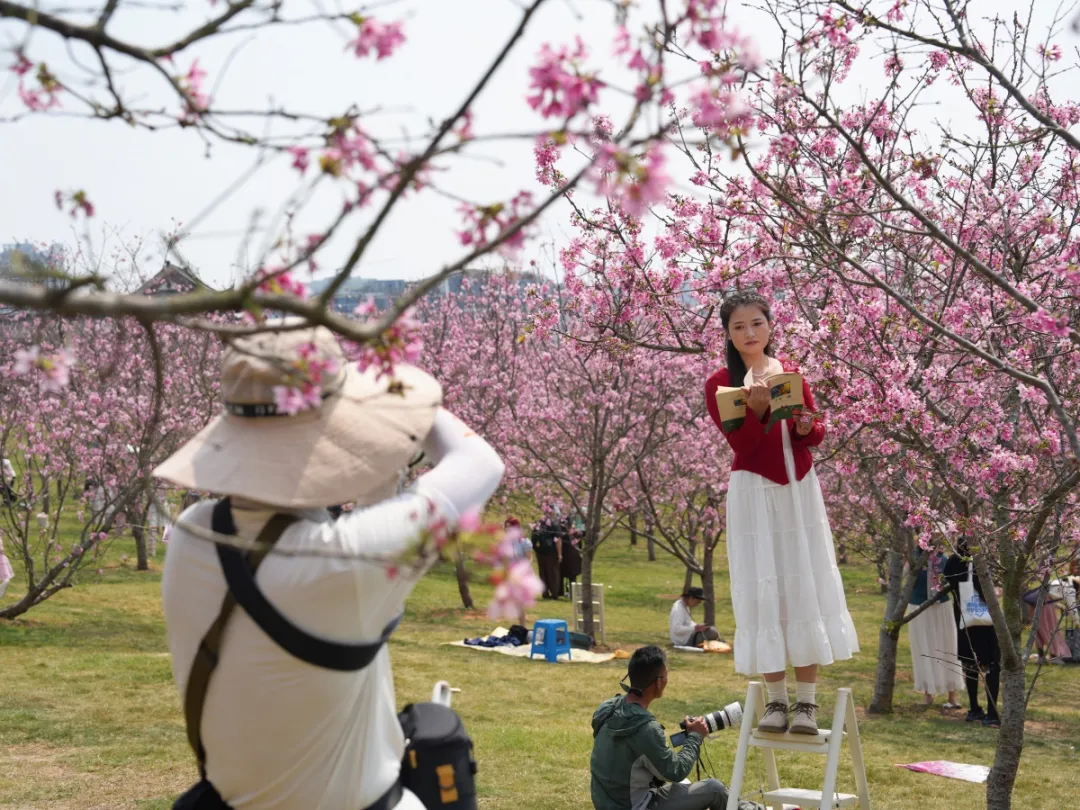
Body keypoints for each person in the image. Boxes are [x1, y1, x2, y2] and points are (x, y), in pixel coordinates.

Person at [154, 325, 505, 810]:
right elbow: (480, 463)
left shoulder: (193, 535)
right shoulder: (342, 564)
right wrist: (394, 397)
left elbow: (331, 525)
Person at [705, 291, 859, 734]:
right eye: (738, 326)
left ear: (771, 325)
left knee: (803, 579)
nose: (749, 333)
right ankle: (775, 701)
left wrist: (811, 427)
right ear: (728, 334)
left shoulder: (790, 375)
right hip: (753, 489)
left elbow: (811, 432)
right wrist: (755, 412)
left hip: (797, 489)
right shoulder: (720, 382)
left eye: (756, 323)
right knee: (763, 583)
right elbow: (742, 446)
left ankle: (806, 704)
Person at [590, 646, 751, 810]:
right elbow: (676, 771)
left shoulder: (608, 708)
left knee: (684, 785)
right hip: (636, 806)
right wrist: (695, 737)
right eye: (666, 676)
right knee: (714, 789)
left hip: (606, 803)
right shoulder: (645, 728)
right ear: (659, 683)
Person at [943, 542, 1001, 728]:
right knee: (992, 664)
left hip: (963, 618)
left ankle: (974, 708)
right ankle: (992, 713)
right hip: (984, 622)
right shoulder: (979, 562)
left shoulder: (952, 561)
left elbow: (949, 581)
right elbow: (985, 591)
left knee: (970, 664)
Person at [906, 551, 963, 708]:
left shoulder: (944, 559)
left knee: (948, 646)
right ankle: (928, 692)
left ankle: (952, 693)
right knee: (924, 647)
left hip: (941, 606)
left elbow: (953, 581)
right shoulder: (913, 556)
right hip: (918, 606)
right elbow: (907, 578)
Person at [532, 513, 563, 599]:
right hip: (551, 552)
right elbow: (558, 540)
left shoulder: (538, 523)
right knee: (553, 573)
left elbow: (533, 538)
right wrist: (560, 554)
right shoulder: (555, 524)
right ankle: (554, 593)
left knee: (543, 573)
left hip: (540, 552)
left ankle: (544, 593)